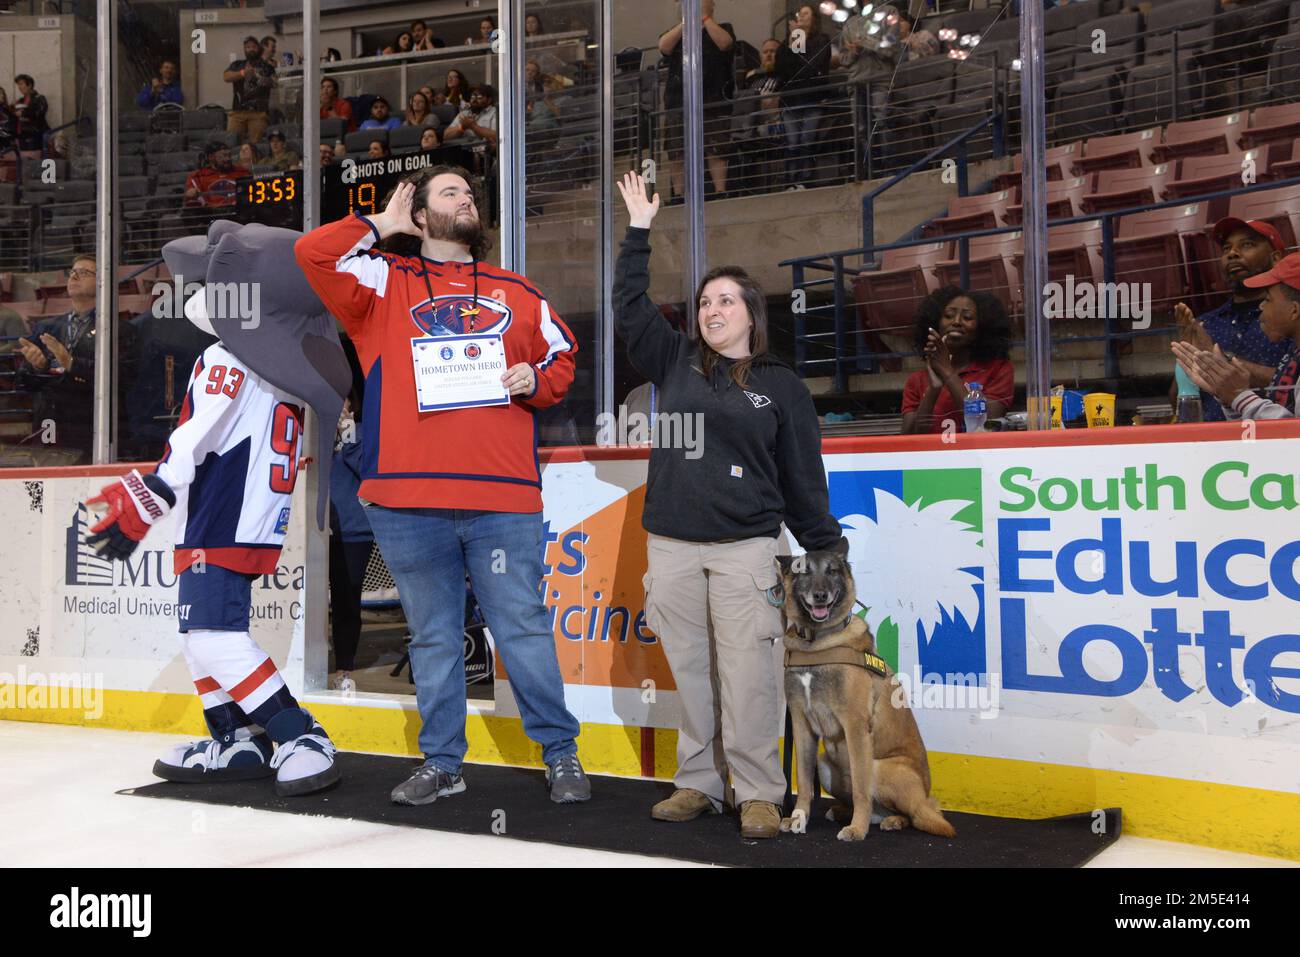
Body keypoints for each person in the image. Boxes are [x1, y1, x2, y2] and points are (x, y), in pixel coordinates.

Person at [294, 165, 589, 806]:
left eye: (470, 193)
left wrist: (533, 382)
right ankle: (443, 762)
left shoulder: (518, 290)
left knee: (522, 628)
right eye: (450, 193)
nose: (466, 199)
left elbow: (562, 355)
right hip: (406, 500)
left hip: (501, 497)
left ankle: (561, 753)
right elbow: (310, 252)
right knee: (432, 635)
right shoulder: (380, 279)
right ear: (421, 216)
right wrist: (378, 226)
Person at [613, 169, 845, 839]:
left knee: (751, 675)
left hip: (748, 550)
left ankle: (760, 791)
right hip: (673, 545)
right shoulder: (674, 359)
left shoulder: (781, 387)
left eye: (726, 302)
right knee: (692, 671)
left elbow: (804, 477)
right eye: (705, 302)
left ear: (752, 313)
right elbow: (630, 306)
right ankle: (698, 782)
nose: (712, 311)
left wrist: (824, 545)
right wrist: (637, 231)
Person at [81, 221, 350, 797]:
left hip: (222, 514)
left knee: (211, 634)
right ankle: (233, 738)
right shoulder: (281, 363)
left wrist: (156, 488)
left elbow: (195, 436)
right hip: (248, 514)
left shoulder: (226, 357)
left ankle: (299, 734)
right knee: (198, 632)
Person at [16, 254, 136, 463]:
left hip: (92, 427)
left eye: (84, 273)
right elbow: (24, 383)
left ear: (102, 282)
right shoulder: (47, 327)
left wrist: (71, 363)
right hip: (50, 425)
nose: (74, 277)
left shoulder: (120, 330)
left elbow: (123, 378)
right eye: (72, 273)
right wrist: (38, 366)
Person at [1170, 218, 1289, 421]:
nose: (1232, 253)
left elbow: (1290, 382)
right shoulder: (1205, 323)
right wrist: (1187, 363)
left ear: (1275, 257)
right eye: (1226, 248)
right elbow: (1177, 400)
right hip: (1214, 446)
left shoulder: (1290, 316)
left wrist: (1218, 361)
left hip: (1274, 443)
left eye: (1247, 245)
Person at [900, 285, 1013, 433]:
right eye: (948, 316)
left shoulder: (999, 369)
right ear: (936, 323)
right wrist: (933, 389)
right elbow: (910, 436)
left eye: (967, 317)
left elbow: (986, 424)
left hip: (976, 455)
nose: (957, 322)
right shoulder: (916, 380)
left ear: (982, 327)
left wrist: (947, 372)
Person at [658, 0, 735, 199]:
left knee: (716, 147)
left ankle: (720, 190)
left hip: (714, 99)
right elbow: (664, 46)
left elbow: (725, 42)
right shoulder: (677, 31)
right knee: (677, 151)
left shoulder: (723, 28)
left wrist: (705, 18)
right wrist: (687, 22)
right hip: (679, 101)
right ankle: (679, 194)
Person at [329, 394, 372, 693]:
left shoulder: (364, 429)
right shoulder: (314, 432)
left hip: (353, 529)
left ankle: (344, 667)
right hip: (315, 529)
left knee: (346, 600)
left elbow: (367, 469)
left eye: (341, 401)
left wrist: (349, 435)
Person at [774, 5, 839, 189]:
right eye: (799, 13)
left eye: (806, 13)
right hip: (791, 99)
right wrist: (794, 38)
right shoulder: (786, 42)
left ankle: (805, 180)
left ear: (814, 19)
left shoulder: (821, 40)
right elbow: (783, 70)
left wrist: (798, 38)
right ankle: (791, 181)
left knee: (807, 139)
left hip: (812, 98)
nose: (801, 16)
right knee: (792, 142)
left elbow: (809, 67)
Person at [222, 36, 276, 144]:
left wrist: (260, 78)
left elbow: (274, 83)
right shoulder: (237, 64)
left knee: (256, 145)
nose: (251, 49)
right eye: (248, 47)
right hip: (237, 112)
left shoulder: (267, 66)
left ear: (259, 48)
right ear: (244, 50)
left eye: (254, 47)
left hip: (258, 113)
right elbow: (226, 77)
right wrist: (242, 73)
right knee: (232, 144)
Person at [183, 141, 250, 207]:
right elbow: (190, 202)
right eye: (224, 155)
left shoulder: (242, 172)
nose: (228, 159)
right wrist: (190, 194)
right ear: (211, 157)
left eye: (229, 155)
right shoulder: (197, 176)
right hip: (212, 214)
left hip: (239, 212)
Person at [441, 85, 498, 153]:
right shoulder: (464, 114)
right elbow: (445, 136)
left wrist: (473, 126)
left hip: (483, 154)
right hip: (461, 151)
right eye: (472, 97)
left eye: (479, 97)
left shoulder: (494, 113)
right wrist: (461, 127)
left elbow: (496, 136)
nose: (474, 100)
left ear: (489, 100)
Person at [12, 74, 49, 154]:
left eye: (21, 84)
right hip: (21, 135)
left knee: (34, 160)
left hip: (34, 134)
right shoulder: (20, 101)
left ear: (29, 85)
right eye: (18, 84)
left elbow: (40, 111)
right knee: (24, 161)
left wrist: (23, 113)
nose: (19, 87)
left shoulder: (39, 98)